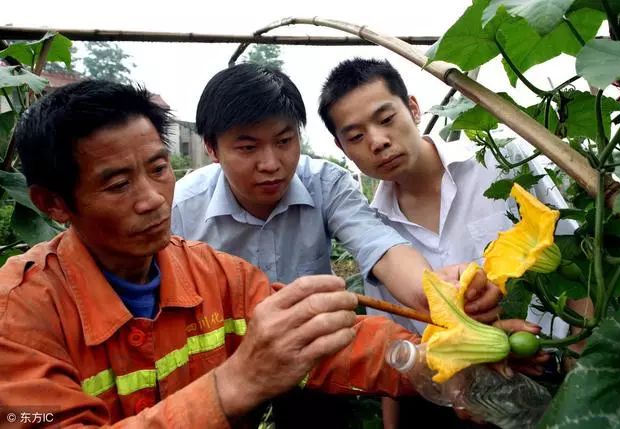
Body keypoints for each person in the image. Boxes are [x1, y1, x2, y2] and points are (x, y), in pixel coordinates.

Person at [0, 79, 422, 428]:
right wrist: (235, 383)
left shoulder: (218, 277)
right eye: (117, 185)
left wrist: (441, 357)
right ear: (52, 203)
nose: (152, 200)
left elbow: (320, 340)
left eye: (159, 169)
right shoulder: (17, 319)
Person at [171, 63, 502, 427]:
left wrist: (441, 295)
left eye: (284, 141)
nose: (271, 164)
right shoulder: (183, 209)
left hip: (315, 362)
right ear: (212, 149)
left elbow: (381, 247)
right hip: (225, 366)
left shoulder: (325, 184)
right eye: (248, 148)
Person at [318, 57, 588, 428]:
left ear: (413, 108)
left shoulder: (501, 161)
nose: (378, 142)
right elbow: (398, 345)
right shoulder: (375, 231)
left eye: (385, 119)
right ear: (341, 146)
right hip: (465, 401)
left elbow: (576, 257)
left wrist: (579, 367)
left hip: (552, 373)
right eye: (356, 136)